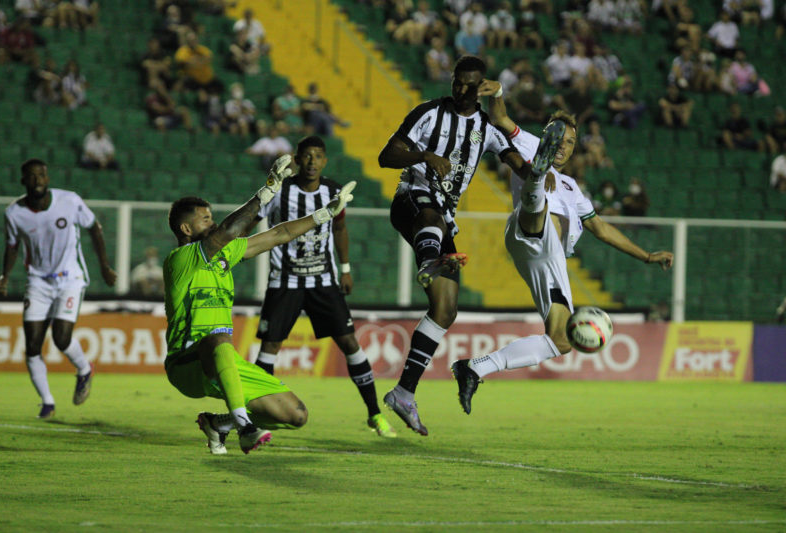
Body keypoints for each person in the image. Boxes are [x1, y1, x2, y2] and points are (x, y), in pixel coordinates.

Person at [450, 87, 674, 414]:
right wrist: (497, 91)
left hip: (548, 260)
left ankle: (474, 368)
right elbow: (498, 118)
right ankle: (535, 179)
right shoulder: (527, 141)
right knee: (537, 198)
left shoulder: (574, 190)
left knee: (561, 341)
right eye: (558, 139)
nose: (564, 147)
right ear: (546, 136)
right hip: (530, 228)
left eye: (569, 143)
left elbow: (600, 227)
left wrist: (647, 256)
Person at [376, 55, 543, 436]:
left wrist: (537, 175)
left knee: (446, 309)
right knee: (432, 217)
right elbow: (387, 155)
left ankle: (404, 392)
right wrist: (424, 155)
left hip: (440, 218)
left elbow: (517, 163)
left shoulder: (486, 127)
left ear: (483, 87)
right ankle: (430, 259)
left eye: (470, 84)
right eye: (457, 81)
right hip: (412, 202)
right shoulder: (430, 113)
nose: (461, 89)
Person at [164, 155, 357, 454]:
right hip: (186, 364)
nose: (213, 223)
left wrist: (323, 215)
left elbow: (278, 234)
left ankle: (220, 424)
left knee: (295, 415)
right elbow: (228, 230)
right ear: (186, 229)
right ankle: (246, 427)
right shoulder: (181, 260)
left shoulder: (225, 254)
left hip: (224, 359)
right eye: (206, 219)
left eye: (212, 218)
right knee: (217, 338)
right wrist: (265, 193)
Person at [248, 136, 396, 438]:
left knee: (350, 343)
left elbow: (340, 228)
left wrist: (345, 268)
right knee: (270, 347)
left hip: (323, 281)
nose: (312, 162)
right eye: (307, 156)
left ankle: (375, 414)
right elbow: (254, 218)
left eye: (318, 156)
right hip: (284, 281)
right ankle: (257, 415)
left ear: (325, 161)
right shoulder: (281, 192)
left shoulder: (333, 191)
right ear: (298, 159)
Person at [0, 158, 117, 418]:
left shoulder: (69, 201)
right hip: (38, 281)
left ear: (48, 179)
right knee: (32, 346)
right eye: (32, 176)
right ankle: (47, 402)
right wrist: (5, 275)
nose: (38, 180)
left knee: (61, 338)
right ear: (23, 181)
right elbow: (12, 246)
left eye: (42, 175)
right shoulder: (14, 213)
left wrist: (105, 266)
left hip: (70, 278)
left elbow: (94, 228)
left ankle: (84, 369)